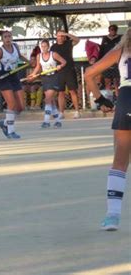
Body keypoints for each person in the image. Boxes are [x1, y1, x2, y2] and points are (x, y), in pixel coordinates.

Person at [84, 27, 130, 231]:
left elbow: (89, 74)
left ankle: (112, 216)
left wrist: (101, 99)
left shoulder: (120, 52)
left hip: (127, 100)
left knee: (119, 163)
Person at [0, 30, 29, 139]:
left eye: (9, 36)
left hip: (14, 77)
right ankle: (11, 131)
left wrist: (28, 62)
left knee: (20, 107)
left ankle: (5, 122)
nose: (8, 39)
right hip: (4, 78)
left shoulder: (15, 47)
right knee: (11, 104)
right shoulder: (0, 51)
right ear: (2, 39)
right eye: (5, 37)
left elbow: (20, 56)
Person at [27, 39, 67, 128]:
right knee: (51, 101)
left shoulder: (54, 54)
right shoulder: (39, 56)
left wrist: (60, 66)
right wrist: (33, 74)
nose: (43, 48)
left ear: (48, 47)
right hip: (45, 78)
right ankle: (58, 121)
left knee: (48, 99)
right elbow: (38, 66)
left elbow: (64, 62)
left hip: (54, 77)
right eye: (42, 46)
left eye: (45, 46)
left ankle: (46, 121)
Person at [50, 30, 81, 119]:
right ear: (56, 36)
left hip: (69, 70)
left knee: (72, 91)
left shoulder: (68, 43)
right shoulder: (53, 47)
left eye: (62, 36)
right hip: (59, 71)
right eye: (59, 36)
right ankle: (61, 112)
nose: (60, 37)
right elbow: (52, 58)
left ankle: (77, 111)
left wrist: (66, 34)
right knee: (60, 92)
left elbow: (77, 40)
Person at [100, 24, 122, 97]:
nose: (112, 31)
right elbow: (101, 50)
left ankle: (118, 99)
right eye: (111, 29)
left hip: (116, 62)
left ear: (116, 30)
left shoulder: (120, 38)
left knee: (117, 82)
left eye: (114, 29)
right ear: (109, 30)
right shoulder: (105, 38)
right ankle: (108, 99)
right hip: (106, 63)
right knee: (107, 82)